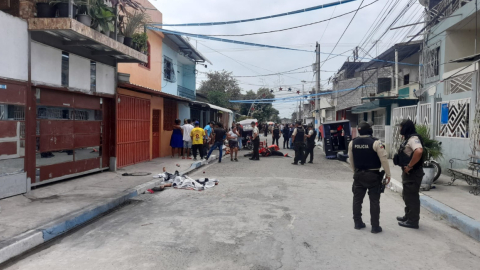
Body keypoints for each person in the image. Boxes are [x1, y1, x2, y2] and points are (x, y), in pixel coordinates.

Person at [348, 121, 391, 234]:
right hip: (373, 176)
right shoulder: (376, 143)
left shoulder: (353, 143)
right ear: (370, 130)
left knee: (357, 200)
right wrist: (388, 174)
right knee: (374, 201)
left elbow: (351, 159)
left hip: (358, 175)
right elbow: (384, 159)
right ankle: (375, 227)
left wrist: (355, 172)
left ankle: (357, 223)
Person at [395, 119, 424, 229]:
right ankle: (408, 216)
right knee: (407, 196)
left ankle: (413, 221)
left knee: (412, 197)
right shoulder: (408, 138)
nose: (400, 129)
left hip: (413, 173)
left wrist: (410, 166)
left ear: (406, 127)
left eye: (401, 127)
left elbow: (419, 151)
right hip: (409, 173)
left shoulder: (413, 139)